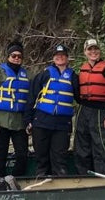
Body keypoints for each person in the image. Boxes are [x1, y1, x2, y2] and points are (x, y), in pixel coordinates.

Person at [25, 44, 77, 176]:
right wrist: (28, 119)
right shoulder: (44, 74)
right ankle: (41, 183)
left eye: (63, 55)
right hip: (42, 121)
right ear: (53, 58)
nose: (60, 58)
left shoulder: (73, 76)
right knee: (41, 157)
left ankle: (60, 184)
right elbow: (32, 97)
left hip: (62, 123)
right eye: (57, 55)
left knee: (59, 158)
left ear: (67, 58)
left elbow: (80, 97)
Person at [0, 41, 31, 178]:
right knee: (1, 155)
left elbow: (32, 99)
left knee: (22, 155)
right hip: (1, 122)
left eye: (19, 56)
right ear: (8, 56)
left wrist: (30, 120)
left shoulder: (27, 75)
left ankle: (15, 179)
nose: (16, 58)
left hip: (20, 123)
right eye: (13, 55)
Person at [73, 38, 105, 175]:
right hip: (83, 110)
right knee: (81, 146)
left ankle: (102, 177)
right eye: (90, 49)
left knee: (100, 147)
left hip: (101, 111)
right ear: (85, 52)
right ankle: (83, 177)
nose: (93, 52)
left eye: (95, 49)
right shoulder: (82, 68)